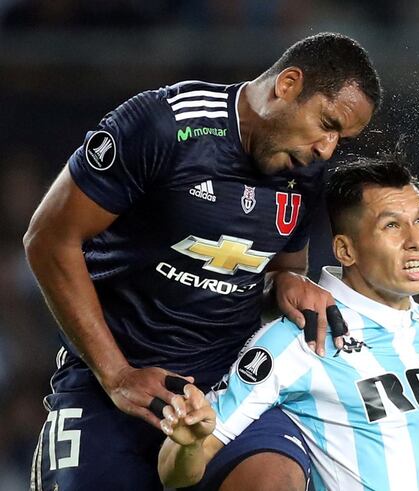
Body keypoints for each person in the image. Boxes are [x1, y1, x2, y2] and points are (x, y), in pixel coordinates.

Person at [23, 32, 381, 490]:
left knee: (273, 482)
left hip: (231, 384)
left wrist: (288, 282)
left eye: (340, 138)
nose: (327, 149)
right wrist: (117, 375)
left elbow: (279, 269)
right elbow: (49, 239)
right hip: (116, 382)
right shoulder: (163, 125)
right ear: (288, 85)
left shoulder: (303, 169)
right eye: (327, 123)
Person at [157, 156, 419, 490]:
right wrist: (189, 444)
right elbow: (172, 472)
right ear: (345, 249)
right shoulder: (298, 339)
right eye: (392, 226)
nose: (416, 240)